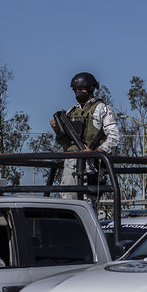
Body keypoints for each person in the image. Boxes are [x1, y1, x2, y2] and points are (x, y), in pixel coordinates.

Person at [49, 72, 119, 200]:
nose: (77, 92)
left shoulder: (102, 108)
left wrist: (97, 152)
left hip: (91, 164)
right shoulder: (71, 112)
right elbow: (66, 142)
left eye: (80, 89)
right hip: (70, 162)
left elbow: (113, 136)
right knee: (66, 201)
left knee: (88, 203)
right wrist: (57, 130)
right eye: (75, 90)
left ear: (91, 88)